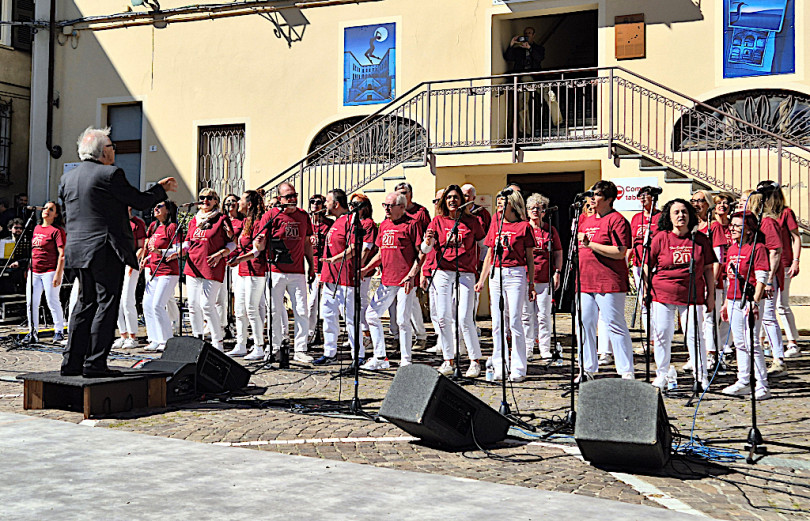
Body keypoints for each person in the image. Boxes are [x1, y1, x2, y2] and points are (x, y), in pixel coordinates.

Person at [59, 127, 175, 377]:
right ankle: (95, 363)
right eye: (112, 146)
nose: (115, 151)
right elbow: (138, 200)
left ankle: (71, 362)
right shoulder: (110, 174)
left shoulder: (67, 178)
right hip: (104, 247)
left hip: (77, 248)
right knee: (106, 303)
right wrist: (160, 189)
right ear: (103, 153)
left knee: (84, 303)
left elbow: (67, 215)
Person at [647, 199, 716, 390]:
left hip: (692, 295)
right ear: (668, 216)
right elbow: (647, 265)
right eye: (676, 212)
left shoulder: (700, 239)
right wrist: (648, 288)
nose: (681, 216)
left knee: (695, 335)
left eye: (684, 212)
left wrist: (711, 295)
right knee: (662, 333)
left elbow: (709, 269)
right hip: (663, 294)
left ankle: (701, 375)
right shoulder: (660, 238)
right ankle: (662, 374)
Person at [421, 185, 485, 376]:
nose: (452, 201)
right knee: (442, 316)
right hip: (442, 271)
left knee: (465, 317)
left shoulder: (472, 221)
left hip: (465, 272)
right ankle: (448, 360)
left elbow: (484, 247)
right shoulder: (437, 221)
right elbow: (425, 250)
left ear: (462, 201)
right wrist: (427, 241)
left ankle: (475, 361)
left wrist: (480, 268)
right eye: (448, 198)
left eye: (456, 197)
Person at [575, 180, 634, 381]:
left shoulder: (617, 220)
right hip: (585, 281)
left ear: (609, 199)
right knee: (585, 324)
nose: (592, 198)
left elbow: (620, 252)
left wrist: (591, 244)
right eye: (591, 194)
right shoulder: (586, 221)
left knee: (614, 324)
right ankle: (587, 368)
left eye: (597, 194)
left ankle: (625, 370)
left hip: (609, 281)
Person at [475, 190, 536, 382]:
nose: (499, 205)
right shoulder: (496, 221)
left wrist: (531, 283)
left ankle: (518, 367)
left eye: (503, 202)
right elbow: (490, 254)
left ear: (513, 204)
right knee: (497, 321)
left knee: (515, 320)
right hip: (497, 273)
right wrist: (481, 279)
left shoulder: (524, 226)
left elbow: (529, 258)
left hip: (516, 273)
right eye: (498, 201)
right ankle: (500, 364)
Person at [361, 192, 424, 370]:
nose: (387, 209)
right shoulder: (384, 225)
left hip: (405, 280)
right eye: (385, 205)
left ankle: (406, 359)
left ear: (402, 207)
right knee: (372, 315)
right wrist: (366, 268)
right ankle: (380, 356)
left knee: (403, 320)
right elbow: (381, 252)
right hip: (387, 280)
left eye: (390, 206)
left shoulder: (412, 224)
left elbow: (421, 252)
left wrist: (413, 274)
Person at [260, 182, 315, 363]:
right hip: (275, 270)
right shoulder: (271, 216)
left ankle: (300, 349)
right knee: (274, 310)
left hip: (298, 271)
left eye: (294, 195)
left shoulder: (303, 216)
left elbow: (307, 243)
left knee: (301, 310)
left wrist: (311, 266)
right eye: (288, 196)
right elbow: (260, 242)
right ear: (279, 199)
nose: (292, 199)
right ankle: (276, 346)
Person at [721, 211, 771, 400]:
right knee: (740, 343)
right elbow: (730, 279)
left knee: (752, 342)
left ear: (749, 230)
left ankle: (762, 384)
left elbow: (761, 279)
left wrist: (755, 302)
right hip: (734, 300)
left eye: (737, 226)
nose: (732, 229)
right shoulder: (732, 248)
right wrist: (726, 302)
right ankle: (743, 381)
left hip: (750, 300)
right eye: (731, 226)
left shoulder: (757, 248)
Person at [314, 188, 367, 365]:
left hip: (344, 278)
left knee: (350, 318)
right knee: (328, 316)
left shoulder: (351, 221)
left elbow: (354, 248)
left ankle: (358, 354)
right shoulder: (335, 222)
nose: (325, 205)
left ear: (336, 204)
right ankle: (330, 352)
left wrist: (334, 259)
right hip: (330, 278)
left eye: (327, 202)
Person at [180, 188, 235, 352]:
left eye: (209, 198)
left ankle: (217, 342)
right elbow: (188, 241)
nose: (205, 200)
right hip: (193, 265)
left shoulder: (221, 219)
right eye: (202, 197)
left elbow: (233, 243)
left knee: (206, 304)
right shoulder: (194, 220)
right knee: (193, 305)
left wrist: (220, 254)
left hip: (212, 266)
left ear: (216, 201)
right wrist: (181, 249)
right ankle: (198, 339)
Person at [744, 189, 785, 378]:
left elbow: (775, 251)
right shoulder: (757, 223)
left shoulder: (768, 223)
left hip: (767, 277)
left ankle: (778, 358)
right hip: (757, 276)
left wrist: (769, 281)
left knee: (768, 316)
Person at [227, 190, 268, 359]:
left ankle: (259, 346)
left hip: (255, 270)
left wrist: (238, 259)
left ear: (249, 204)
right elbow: (242, 245)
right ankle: (241, 343)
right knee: (240, 309)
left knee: (252, 309)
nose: (238, 203)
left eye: (242, 199)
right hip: (243, 269)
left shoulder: (258, 222)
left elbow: (258, 250)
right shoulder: (247, 222)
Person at [522, 193, 562, 360]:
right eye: (532, 208)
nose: (535, 211)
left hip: (545, 279)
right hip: (526, 278)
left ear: (544, 211)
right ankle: (527, 348)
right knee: (526, 316)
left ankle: (544, 348)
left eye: (539, 208)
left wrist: (557, 272)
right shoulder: (524, 228)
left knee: (544, 316)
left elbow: (558, 252)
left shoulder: (550, 229)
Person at [24, 202, 67, 344]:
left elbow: (62, 254)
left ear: (56, 215)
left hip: (49, 270)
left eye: (51, 209)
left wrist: (58, 273)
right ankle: (32, 332)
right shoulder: (36, 228)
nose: (46, 211)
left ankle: (59, 330)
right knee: (31, 302)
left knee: (52, 300)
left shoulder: (56, 231)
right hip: (34, 271)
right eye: (45, 208)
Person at [394, 182, 430, 350]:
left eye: (404, 192)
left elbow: (427, 241)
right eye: (398, 192)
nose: (402, 195)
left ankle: (420, 336)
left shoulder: (421, 213)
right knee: (407, 302)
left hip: (415, 264)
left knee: (413, 300)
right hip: (397, 267)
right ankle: (405, 335)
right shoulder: (393, 213)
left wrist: (423, 268)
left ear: (411, 194)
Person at [141, 200, 180, 352]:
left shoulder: (172, 227)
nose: (155, 208)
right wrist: (148, 258)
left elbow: (177, 249)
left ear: (168, 211)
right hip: (154, 271)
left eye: (159, 207)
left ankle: (166, 340)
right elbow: (153, 250)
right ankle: (154, 338)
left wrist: (161, 252)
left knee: (158, 305)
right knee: (147, 305)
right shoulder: (156, 227)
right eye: (155, 206)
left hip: (168, 272)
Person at [770, 186, 802, 358]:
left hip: (784, 263)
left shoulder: (785, 212)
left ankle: (792, 342)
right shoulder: (763, 215)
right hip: (767, 264)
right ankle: (768, 341)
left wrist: (796, 260)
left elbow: (796, 237)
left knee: (781, 304)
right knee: (766, 305)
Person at [111, 207, 146, 350]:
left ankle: (133, 336)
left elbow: (141, 246)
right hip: (117, 264)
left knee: (127, 299)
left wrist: (133, 262)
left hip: (131, 264)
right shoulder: (116, 222)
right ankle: (123, 334)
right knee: (117, 300)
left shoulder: (138, 223)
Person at [628, 187, 661, 336]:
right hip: (639, 264)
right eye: (639, 196)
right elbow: (631, 243)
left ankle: (659, 336)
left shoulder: (661, 217)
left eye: (645, 195)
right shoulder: (636, 218)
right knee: (644, 299)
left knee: (656, 300)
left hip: (656, 265)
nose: (642, 199)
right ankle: (650, 337)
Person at [707, 193, 735, 368]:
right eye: (719, 203)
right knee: (715, 314)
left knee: (729, 315)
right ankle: (712, 351)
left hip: (732, 275)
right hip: (719, 276)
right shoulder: (713, 227)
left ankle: (724, 347)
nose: (722, 206)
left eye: (725, 203)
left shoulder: (733, 226)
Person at [351, 193, 378, 353]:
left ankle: (366, 335)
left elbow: (366, 249)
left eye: (358, 205)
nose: (354, 207)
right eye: (352, 204)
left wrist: (358, 267)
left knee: (361, 302)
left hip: (362, 270)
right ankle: (359, 335)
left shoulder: (368, 224)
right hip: (352, 267)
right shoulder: (352, 222)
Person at [306, 194, 333, 344]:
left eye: (318, 202)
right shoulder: (307, 223)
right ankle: (310, 333)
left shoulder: (329, 224)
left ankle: (319, 332)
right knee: (311, 303)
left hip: (325, 268)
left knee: (324, 303)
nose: (315, 204)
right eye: (312, 202)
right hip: (310, 267)